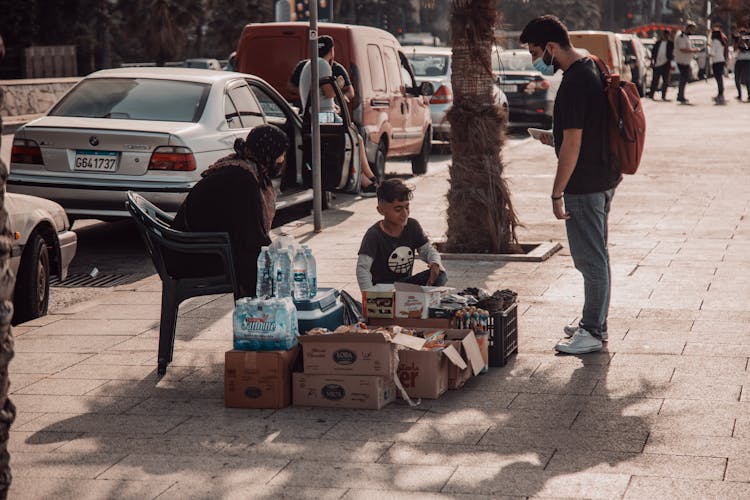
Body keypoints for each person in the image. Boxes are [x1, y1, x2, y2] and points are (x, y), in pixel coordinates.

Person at [521, 15, 621, 354]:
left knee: (590, 261)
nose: (537, 60)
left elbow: (574, 144)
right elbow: (582, 132)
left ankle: (593, 331)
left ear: (551, 47)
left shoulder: (574, 82)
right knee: (597, 256)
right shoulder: (591, 64)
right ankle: (594, 321)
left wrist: (556, 192)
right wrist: (553, 137)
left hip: (585, 184)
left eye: (536, 51)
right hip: (603, 176)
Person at [169, 124, 289, 298]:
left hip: (196, 249)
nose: (282, 160)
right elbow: (250, 238)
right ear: (267, 153)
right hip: (194, 258)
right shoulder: (241, 180)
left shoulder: (241, 170)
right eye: (280, 154)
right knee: (266, 268)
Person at [296, 36, 379, 195]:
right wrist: (339, 84)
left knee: (352, 141)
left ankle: (365, 180)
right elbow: (329, 92)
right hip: (323, 116)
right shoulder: (323, 65)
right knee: (356, 138)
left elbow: (316, 94)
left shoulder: (308, 64)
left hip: (315, 114)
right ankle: (370, 177)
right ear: (332, 50)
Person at [356, 179, 447, 290]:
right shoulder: (374, 235)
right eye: (398, 209)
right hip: (383, 290)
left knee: (441, 274)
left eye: (407, 207)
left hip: (405, 286)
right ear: (381, 210)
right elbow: (362, 269)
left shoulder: (412, 226)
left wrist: (435, 263)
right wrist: (369, 297)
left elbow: (427, 250)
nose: (404, 214)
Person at [674, 21, 701, 104]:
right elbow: (682, 49)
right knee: (683, 78)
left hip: (685, 61)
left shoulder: (686, 37)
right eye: (692, 29)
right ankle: (680, 95)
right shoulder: (681, 36)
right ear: (688, 28)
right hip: (682, 61)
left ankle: (681, 95)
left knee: (685, 78)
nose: (693, 32)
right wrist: (694, 50)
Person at [648, 29, 674, 101]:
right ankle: (651, 94)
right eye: (665, 34)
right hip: (657, 64)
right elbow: (653, 53)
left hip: (666, 64)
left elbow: (672, 54)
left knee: (665, 81)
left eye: (667, 35)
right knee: (655, 80)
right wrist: (652, 61)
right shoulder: (658, 43)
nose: (666, 36)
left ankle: (663, 95)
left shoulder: (670, 44)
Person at [709, 28, 728, 104]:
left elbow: (712, 53)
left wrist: (709, 53)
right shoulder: (721, 42)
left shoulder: (714, 42)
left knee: (718, 78)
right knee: (720, 78)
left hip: (716, 61)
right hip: (721, 60)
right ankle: (720, 93)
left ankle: (720, 93)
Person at [733, 29, 750, 101]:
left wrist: (745, 42)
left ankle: (749, 95)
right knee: (737, 78)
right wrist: (739, 41)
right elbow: (735, 49)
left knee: (747, 78)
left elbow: (748, 48)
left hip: (747, 60)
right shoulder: (737, 40)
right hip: (739, 60)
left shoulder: (748, 40)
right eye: (741, 34)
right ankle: (739, 94)